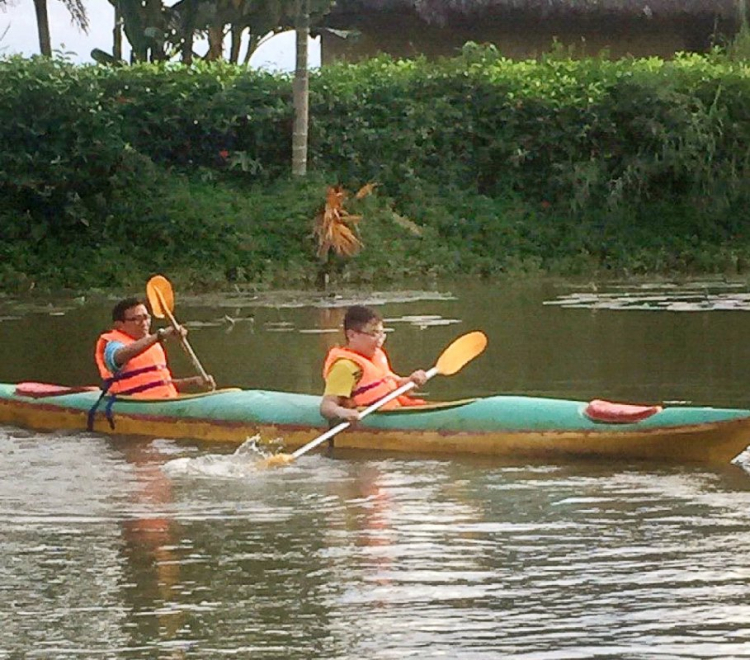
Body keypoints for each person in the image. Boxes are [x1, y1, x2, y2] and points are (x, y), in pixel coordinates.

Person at [320, 305, 428, 422]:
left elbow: (395, 384)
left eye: (382, 334)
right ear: (352, 335)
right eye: (373, 334)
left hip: (394, 409)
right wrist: (342, 412)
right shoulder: (345, 367)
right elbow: (327, 406)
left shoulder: (376, 357)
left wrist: (411, 380)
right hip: (372, 419)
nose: (380, 340)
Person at [94, 297, 215, 398]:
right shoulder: (113, 344)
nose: (144, 323)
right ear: (119, 325)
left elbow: (161, 383)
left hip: (165, 401)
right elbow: (119, 356)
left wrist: (194, 381)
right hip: (134, 403)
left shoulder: (153, 344)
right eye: (136, 319)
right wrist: (159, 335)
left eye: (146, 317)